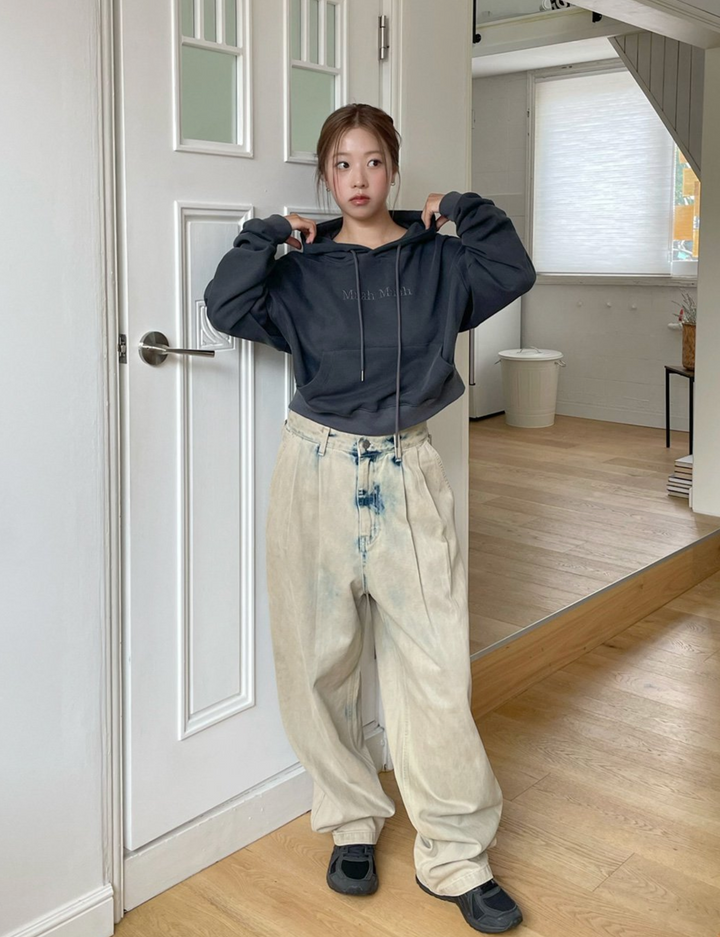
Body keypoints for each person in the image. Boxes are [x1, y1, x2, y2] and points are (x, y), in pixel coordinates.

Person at [204, 102, 536, 934]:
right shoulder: (298, 272)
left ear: (394, 168)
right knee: (317, 660)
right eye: (342, 164)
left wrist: (460, 207)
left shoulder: (442, 263)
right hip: (313, 469)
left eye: (374, 161)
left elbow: (514, 268)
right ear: (325, 175)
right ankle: (351, 818)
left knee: (435, 669)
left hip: (405, 468)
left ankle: (456, 855)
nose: (358, 178)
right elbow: (224, 305)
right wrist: (268, 234)